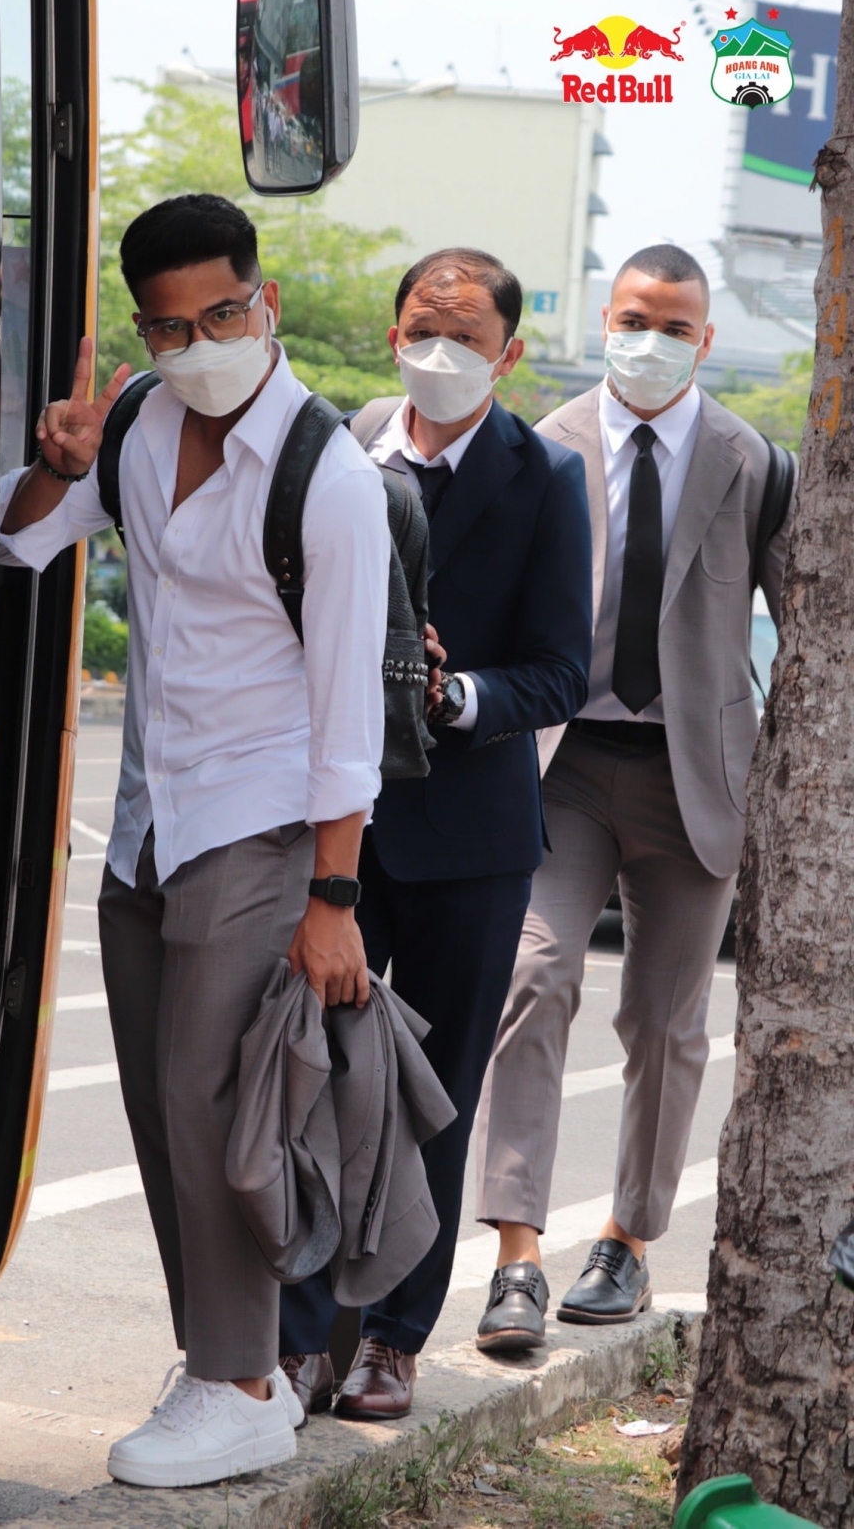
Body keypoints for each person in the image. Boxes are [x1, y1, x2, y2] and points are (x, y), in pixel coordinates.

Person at [0, 193, 390, 1487]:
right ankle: (235, 1370)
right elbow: (19, 546)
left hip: (263, 826)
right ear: (147, 333)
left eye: (226, 312)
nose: (204, 341)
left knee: (210, 1101)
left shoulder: (327, 475)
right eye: (176, 326)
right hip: (149, 827)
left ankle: (234, 1378)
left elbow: (349, 714)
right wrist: (60, 457)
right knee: (171, 1119)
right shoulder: (135, 427)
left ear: (263, 300)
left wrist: (331, 894)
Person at [277, 247, 593, 1420]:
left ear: (510, 354)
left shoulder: (545, 476)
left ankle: (394, 1340)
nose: (441, 353)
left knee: (433, 1094)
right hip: (333, 830)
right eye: (424, 327)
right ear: (392, 331)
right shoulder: (341, 447)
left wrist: (456, 698)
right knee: (312, 1084)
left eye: (468, 337)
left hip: (469, 835)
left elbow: (561, 670)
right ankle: (303, 1331)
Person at [474, 244, 792, 1350]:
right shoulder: (543, 449)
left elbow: (798, 632)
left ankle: (628, 1240)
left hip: (695, 779)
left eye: (674, 325)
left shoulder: (754, 464)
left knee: (667, 1023)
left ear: (706, 339)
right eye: (632, 318)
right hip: (563, 767)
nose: (648, 342)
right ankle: (515, 1253)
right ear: (605, 319)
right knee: (535, 973)